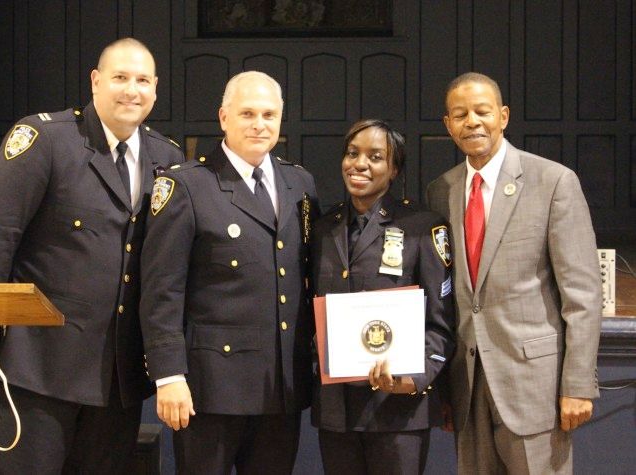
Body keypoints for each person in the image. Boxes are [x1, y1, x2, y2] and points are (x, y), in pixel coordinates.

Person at [0, 38, 184, 473]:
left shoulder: (167, 157)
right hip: (41, 368)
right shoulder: (46, 139)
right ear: (96, 81)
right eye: (120, 77)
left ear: (155, 89)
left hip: (117, 375)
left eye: (142, 80)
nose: (131, 90)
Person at [140, 71, 319, 473]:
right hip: (211, 389)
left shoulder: (300, 183)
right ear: (223, 117)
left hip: (280, 388)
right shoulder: (187, 186)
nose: (260, 124)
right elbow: (161, 291)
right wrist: (168, 375)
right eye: (248, 113)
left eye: (269, 115)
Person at [426, 72, 602, 474]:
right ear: (448, 125)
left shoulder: (553, 181)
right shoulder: (441, 190)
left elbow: (583, 294)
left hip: (534, 387)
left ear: (503, 116)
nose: (472, 121)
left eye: (482, 111)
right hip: (468, 388)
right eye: (460, 114)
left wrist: (577, 384)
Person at [310, 119, 455, 474]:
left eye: (375, 157)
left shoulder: (423, 227)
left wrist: (412, 378)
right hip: (337, 410)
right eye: (352, 153)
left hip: (397, 409)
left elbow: (441, 323)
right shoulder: (323, 228)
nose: (359, 164)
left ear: (394, 170)